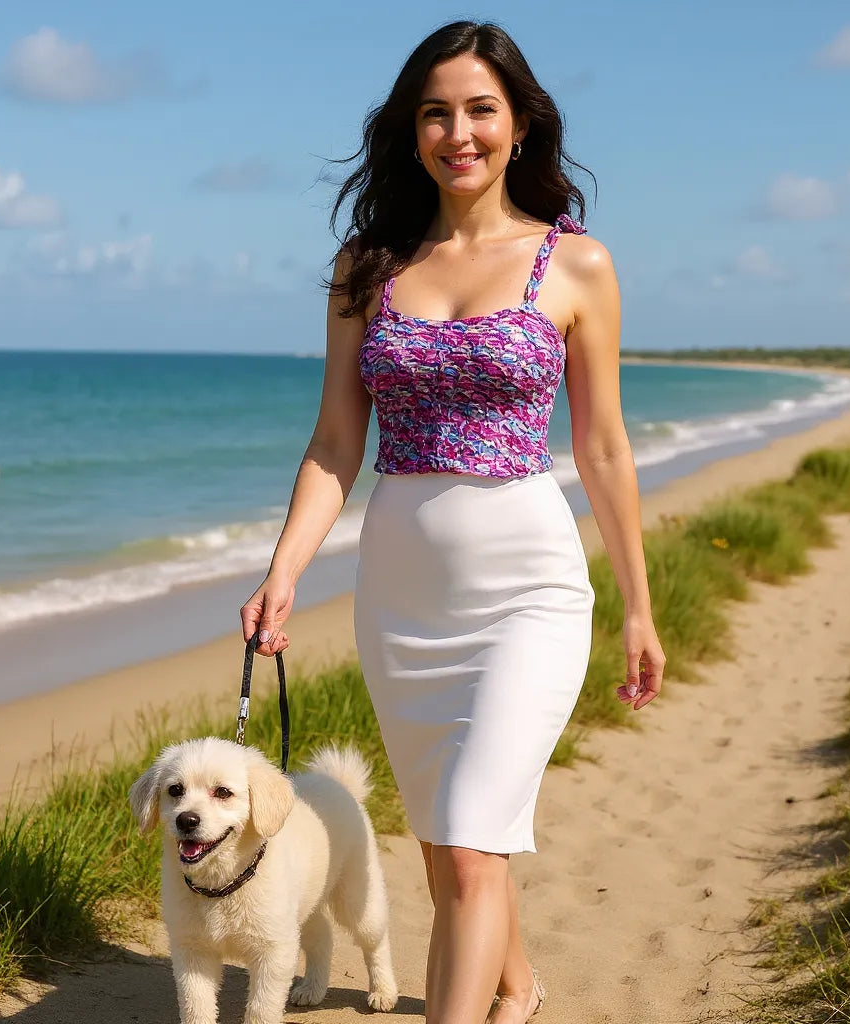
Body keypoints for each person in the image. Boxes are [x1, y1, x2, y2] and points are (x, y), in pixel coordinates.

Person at [240, 20, 666, 1024]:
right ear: (411, 130)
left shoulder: (578, 266)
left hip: (529, 587)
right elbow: (336, 442)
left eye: (481, 110)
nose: (458, 132)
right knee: (446, 839)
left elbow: (602, 448)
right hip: (400, 592)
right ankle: (516, 986)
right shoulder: (369, 265)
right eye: (436, 113)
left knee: (474, 838)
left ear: (520, 125)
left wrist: (638, 607)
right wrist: (284, 569)